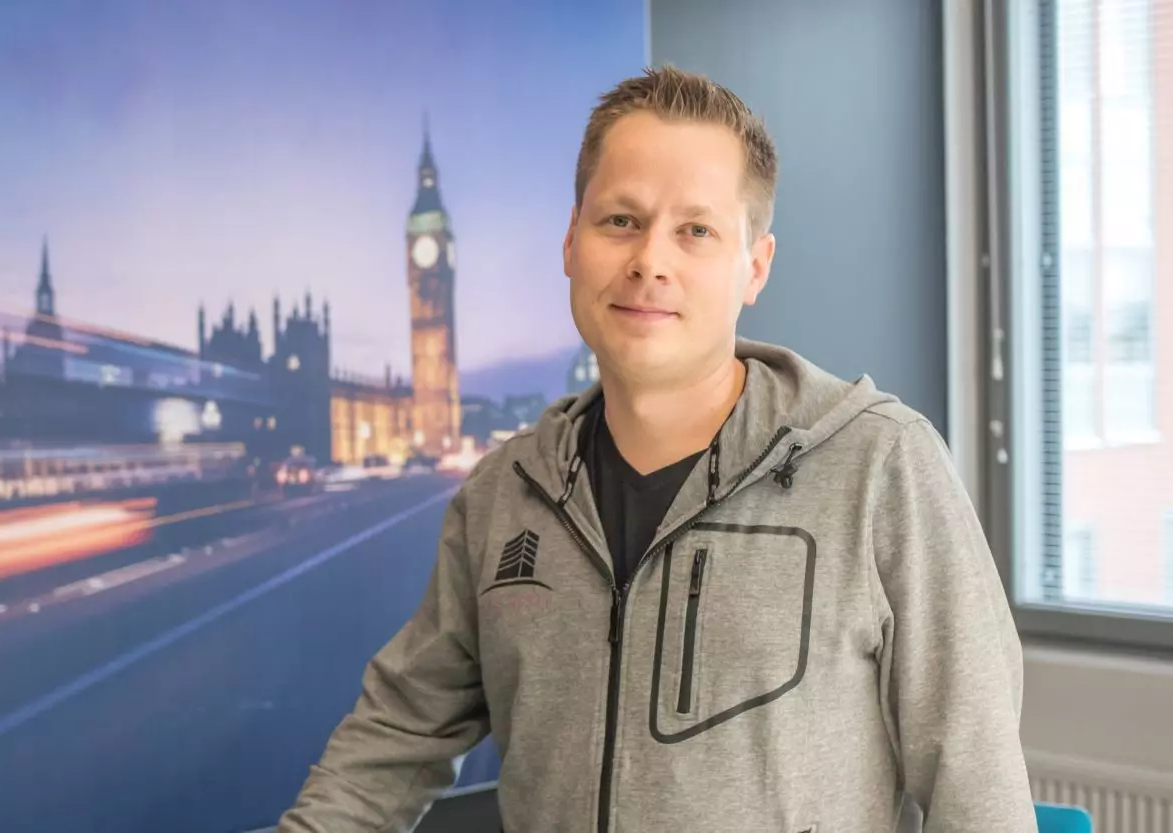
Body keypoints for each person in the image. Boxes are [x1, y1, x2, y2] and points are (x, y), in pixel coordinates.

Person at [277, 65, 1037, 833]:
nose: (649, 260)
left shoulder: (881, 468)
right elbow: (393, 739)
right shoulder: (504, 493)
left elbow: (981, 794)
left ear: (755, 266)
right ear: (571, 242)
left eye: (695, 230)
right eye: (620, 221)